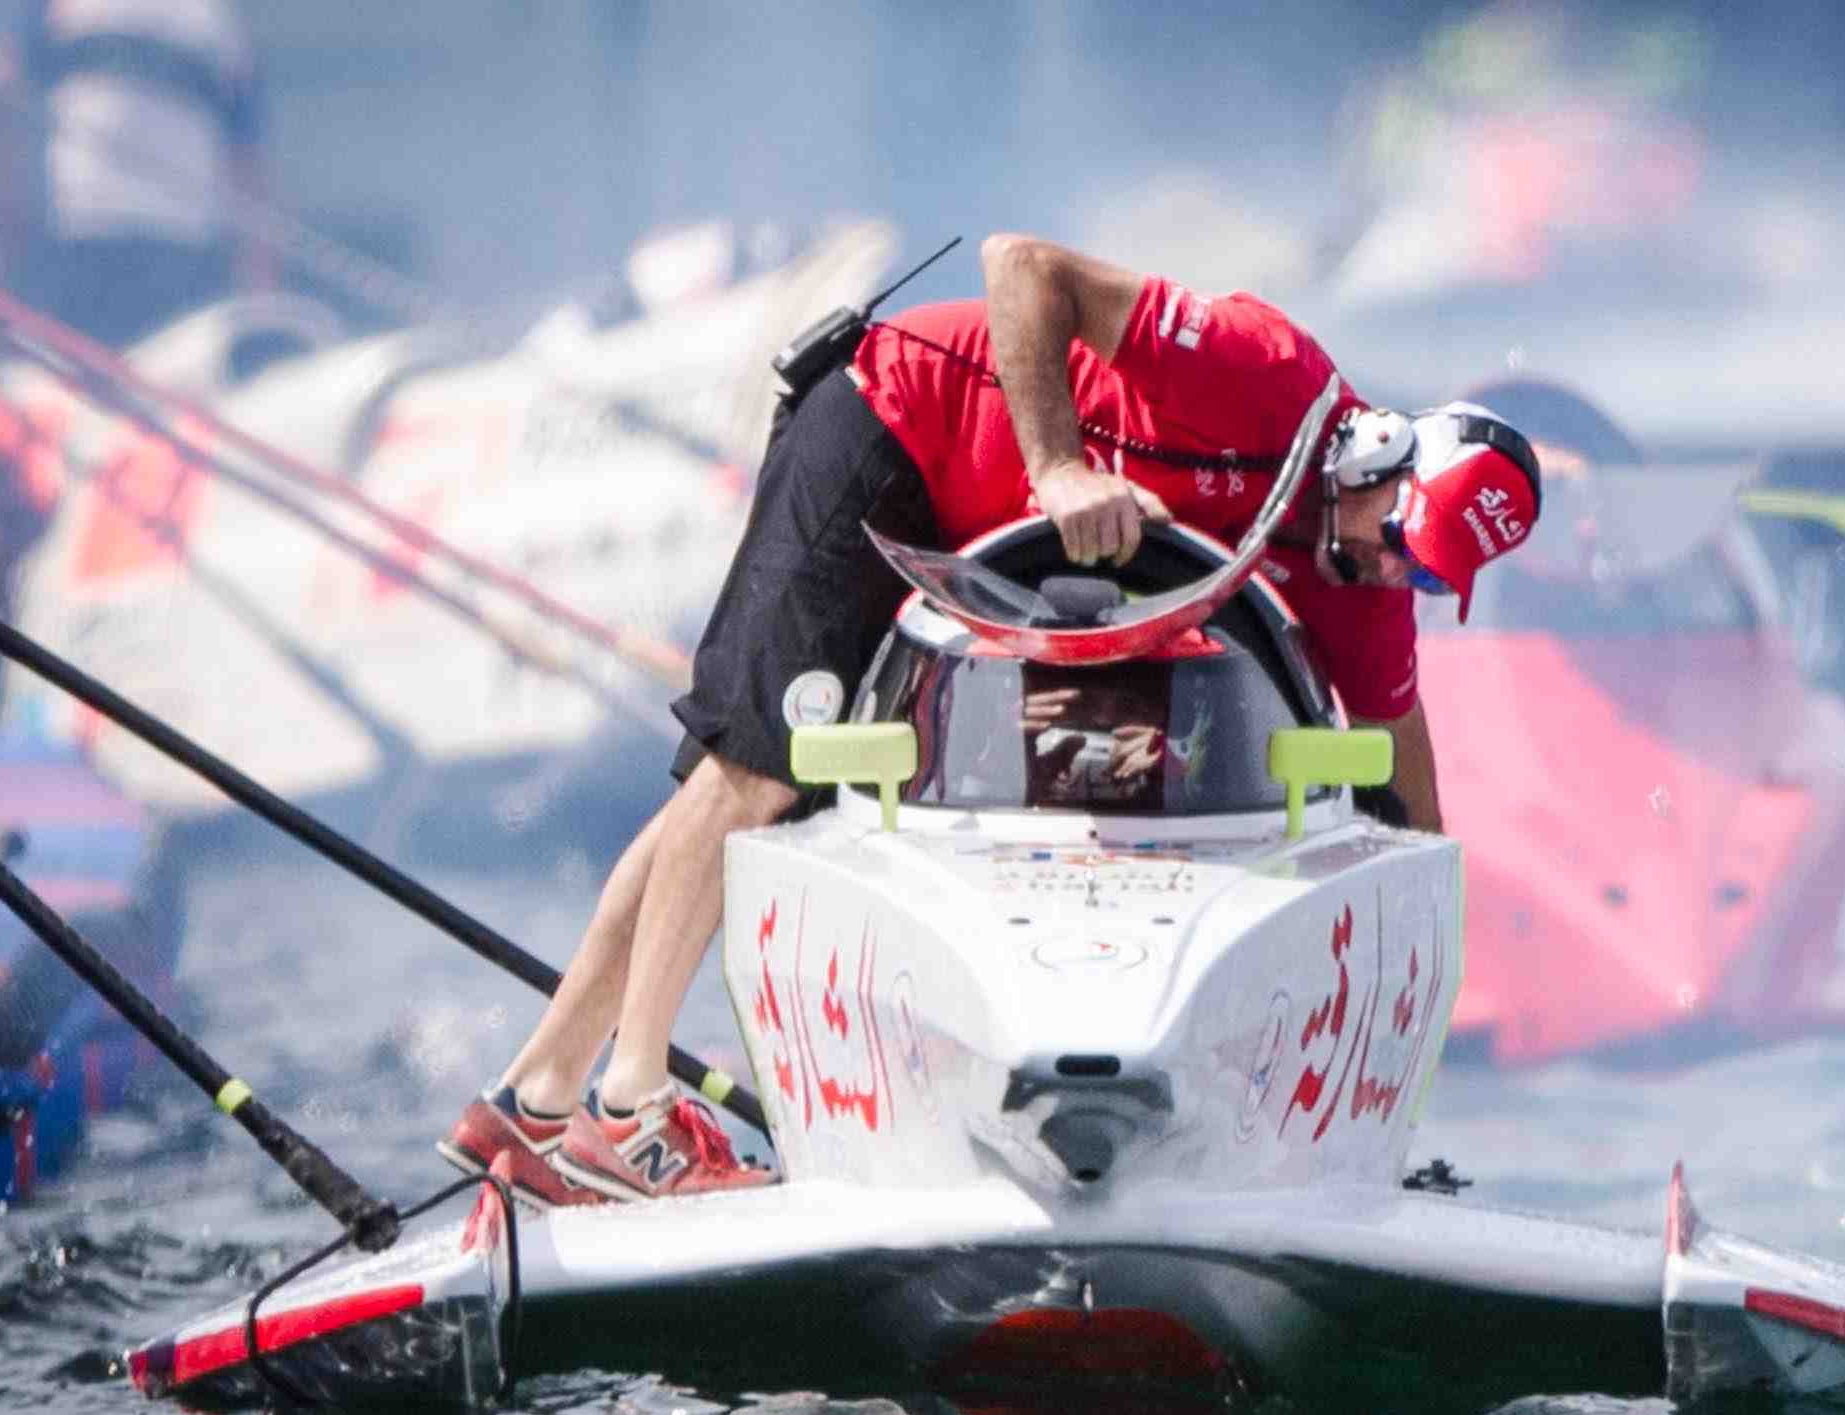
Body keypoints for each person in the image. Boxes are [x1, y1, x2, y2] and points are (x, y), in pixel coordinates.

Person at [439, 233, 1544, 1206]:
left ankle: (536, 1101)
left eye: (1425, 570)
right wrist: (1057, 467)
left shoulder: (1358, 586)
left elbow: (1406, 795)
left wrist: (1404, 1037)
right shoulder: (1266, 369)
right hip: (885, 421)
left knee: (730, 786)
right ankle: (631, 1111)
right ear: (1376, 453)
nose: (1390, 566)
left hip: (943, 519)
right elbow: (1021, 264)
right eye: (1398, 535)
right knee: (753, 779)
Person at [0, 0, 272, 348]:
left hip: (181, 257)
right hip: (81, 240)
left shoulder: (218, 21)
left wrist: (262, 302)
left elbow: (249, 167)